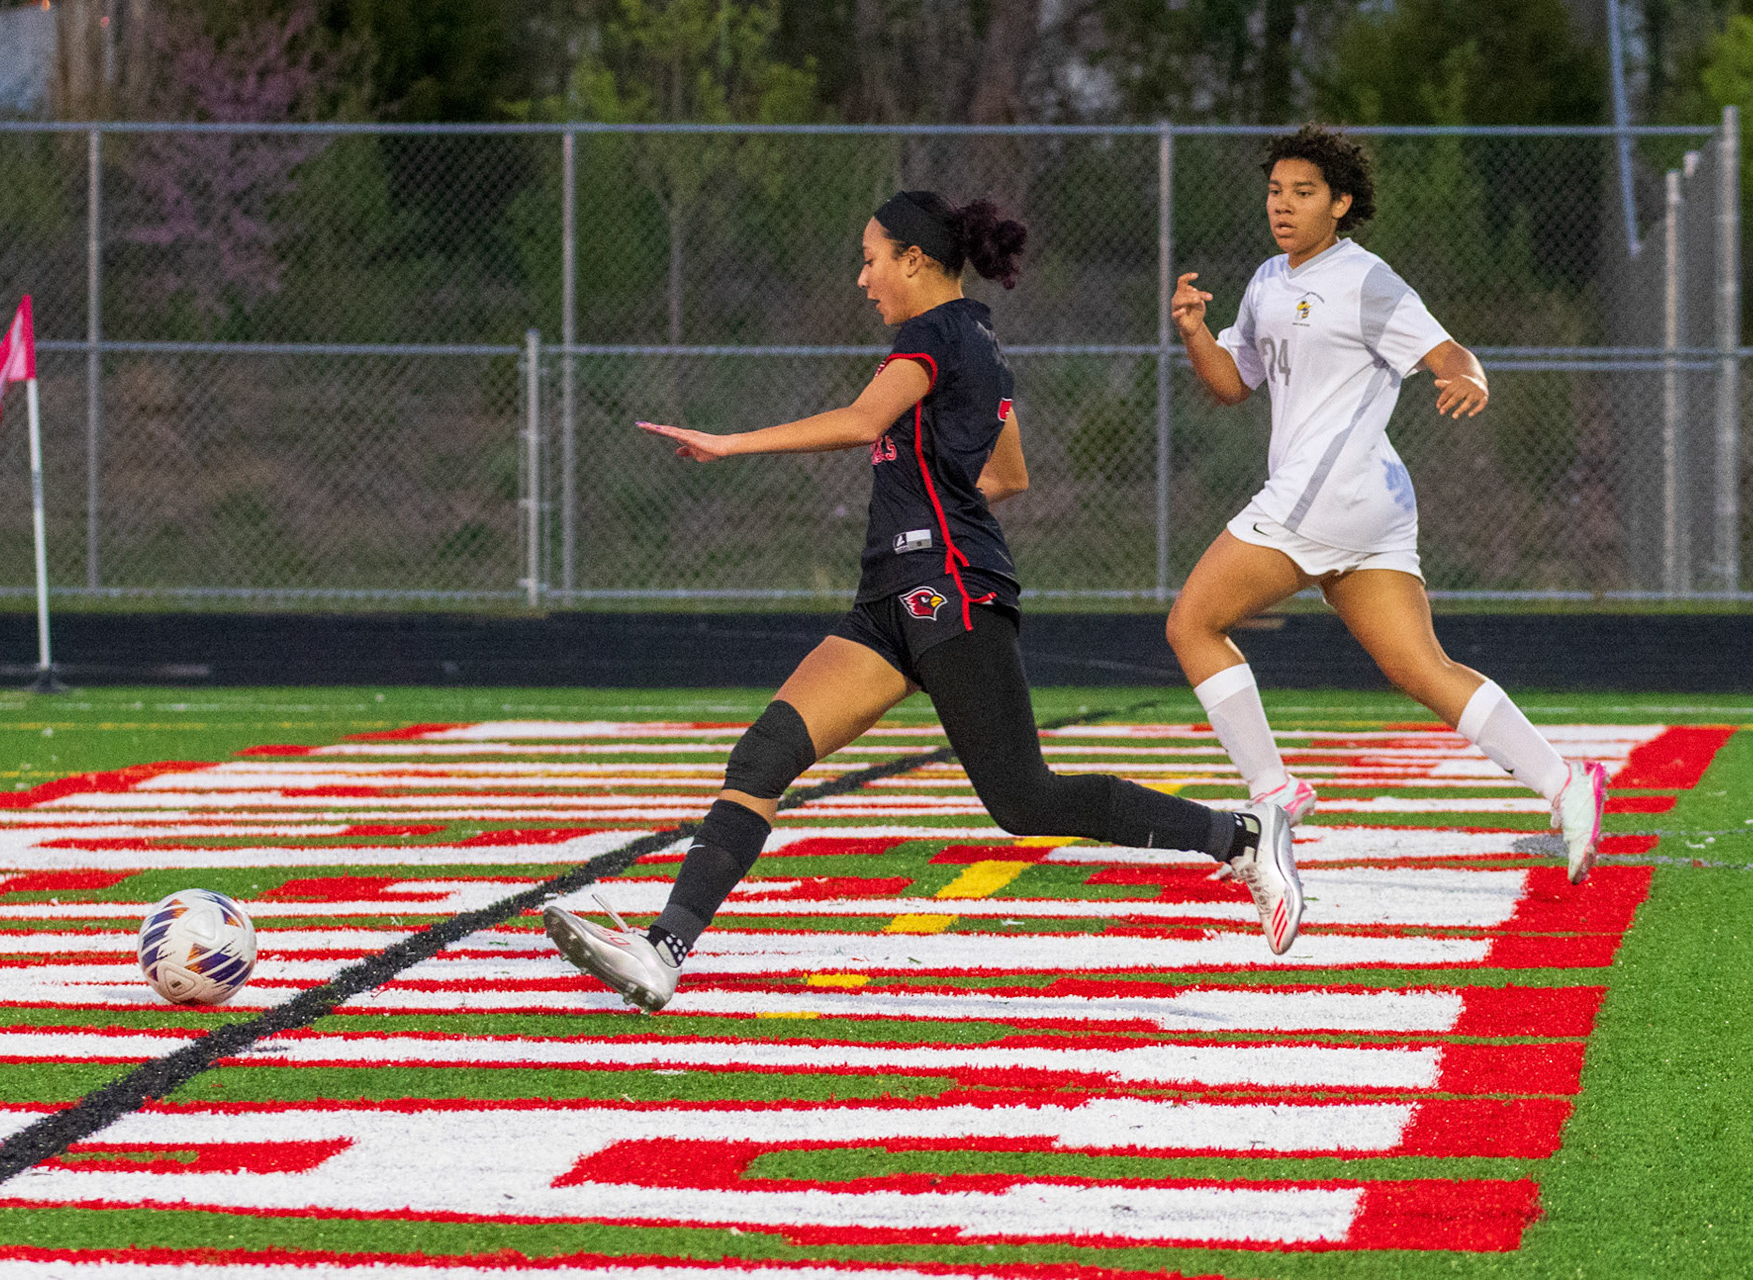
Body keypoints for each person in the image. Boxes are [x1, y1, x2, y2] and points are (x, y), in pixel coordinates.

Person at [543, 191, 1303, 1014]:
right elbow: (1009, 476)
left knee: (1023, 798)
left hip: (947, 589)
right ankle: (664, 951)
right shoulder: (978, 339)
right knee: (763, 758)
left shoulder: (935, 334)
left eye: (871, 259)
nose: (862, 277)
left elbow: (864, 420)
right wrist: (932, 504)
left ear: (914, 260)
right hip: (891, 598)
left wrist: (728, 443)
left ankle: (1241, 836)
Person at [1165, 124, 1605, 882]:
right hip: (1368, 503)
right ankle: (1566, 784)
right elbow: (1232, 385)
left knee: (1191, 624)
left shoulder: (1366, 278)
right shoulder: (1267, 280)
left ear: (1340, 204)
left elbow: (1447, 352)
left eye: (1303, 193)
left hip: (1326, 494)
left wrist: (1470, 377)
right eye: (1275, 191)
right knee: (1421, 667)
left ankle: (1272, 793)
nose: (1283, 205)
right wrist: (1195, 332)